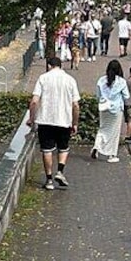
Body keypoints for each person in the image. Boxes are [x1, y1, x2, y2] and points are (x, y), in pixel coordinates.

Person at [27, 57, 80, 190]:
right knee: (63, 148)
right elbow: (76, 105)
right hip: (64, 120)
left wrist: (31, 118)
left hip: (45, 120)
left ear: (49, 65)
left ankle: (49, 180)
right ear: (60, 66)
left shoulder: (43, 78)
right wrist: (75, 123)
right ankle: (60, 171)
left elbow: (34, 101)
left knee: (47, 150)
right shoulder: (70, 80)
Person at [92, 59, 129, 163]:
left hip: (103, 108)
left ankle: (97, 146)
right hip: (116, 109)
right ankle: (112, 155)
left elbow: (98, 96)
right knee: (114, 132)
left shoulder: (101, 80)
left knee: (102, 128)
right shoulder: (121, 82)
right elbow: (126, 96)